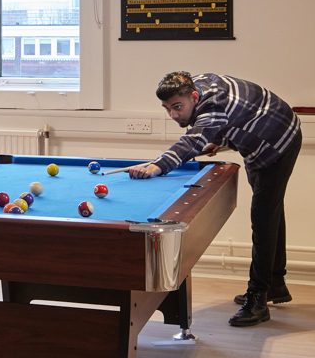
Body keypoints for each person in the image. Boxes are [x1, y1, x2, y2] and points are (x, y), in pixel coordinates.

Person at [127, 71, 302, 327]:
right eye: (167, 108)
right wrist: (218, 140)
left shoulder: (212, 106)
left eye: (178, 107)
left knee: (263, 218)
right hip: (266, 133)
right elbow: (230, 119)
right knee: (271, 212)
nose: (173, 115)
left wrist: (157, 166)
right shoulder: (194, 82)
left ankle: (258, 299)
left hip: (277, 142)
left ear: (194, 96)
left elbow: (194, 139)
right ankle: (275, 284)